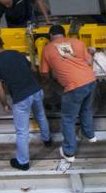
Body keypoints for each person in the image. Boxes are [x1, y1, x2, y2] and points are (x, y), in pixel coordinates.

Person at [0, 33, 51, 170]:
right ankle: (47, 140)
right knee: (40, 115)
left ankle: (23, 162)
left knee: (22, 131)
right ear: (2, 43)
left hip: (22, 98)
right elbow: (33, 68)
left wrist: (4, 104)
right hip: (36, 91)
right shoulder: (16, 53)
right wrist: (39, 84)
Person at [41, 24, 98, 160]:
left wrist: (52, 79)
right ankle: (90, 135)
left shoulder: (47, 49)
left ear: (50, 36)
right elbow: (89, 61)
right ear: (64, 34)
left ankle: (69, 152)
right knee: (86, 109)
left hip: (74, 87)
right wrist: (90, 52)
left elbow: (44, 73)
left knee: (68, 119)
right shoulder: (77, 42)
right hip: (91, 80)